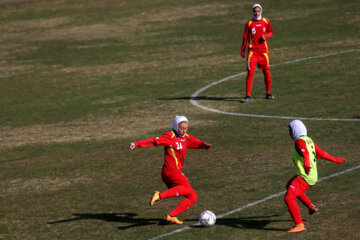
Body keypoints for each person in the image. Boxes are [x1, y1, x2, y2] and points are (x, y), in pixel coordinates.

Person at [129, 116, 211, 224]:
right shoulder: (170, 136)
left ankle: (171, 216)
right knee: (186, 189)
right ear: (176, 126)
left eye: (186, 128)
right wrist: (137, 143)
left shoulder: (185, 137)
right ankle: (159, 195)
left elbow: (194, 142)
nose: (184, 130)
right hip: (171, 172)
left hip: (174, 172)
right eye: (181, 128)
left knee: (192, 197)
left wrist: (204, 145)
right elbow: (154, 141)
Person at [285, 120, 345, 233]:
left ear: (295, 131)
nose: (289, 134)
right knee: (289, 186)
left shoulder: (299, 141)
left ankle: (299, 225)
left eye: (290, 131)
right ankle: (311, 206)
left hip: (306, 176)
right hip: (311, 175)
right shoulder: (309, 140)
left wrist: (307, 165)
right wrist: (336, 160)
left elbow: (305, 154)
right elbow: (321, 153)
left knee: (288, 197)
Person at [240, 3, 274, 103]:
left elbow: (271, 32)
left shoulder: (266, 21)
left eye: (258, 11)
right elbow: (245, 37)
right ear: (252, 12)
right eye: (255, 11)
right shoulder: (249, 24)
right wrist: (242, 51)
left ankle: (268, 93)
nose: (257, 13)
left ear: (261, 11)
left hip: (263, 52)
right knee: (250, 73)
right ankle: (247, 95)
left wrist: (266, 36)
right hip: (252, 53)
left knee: (266, 72)